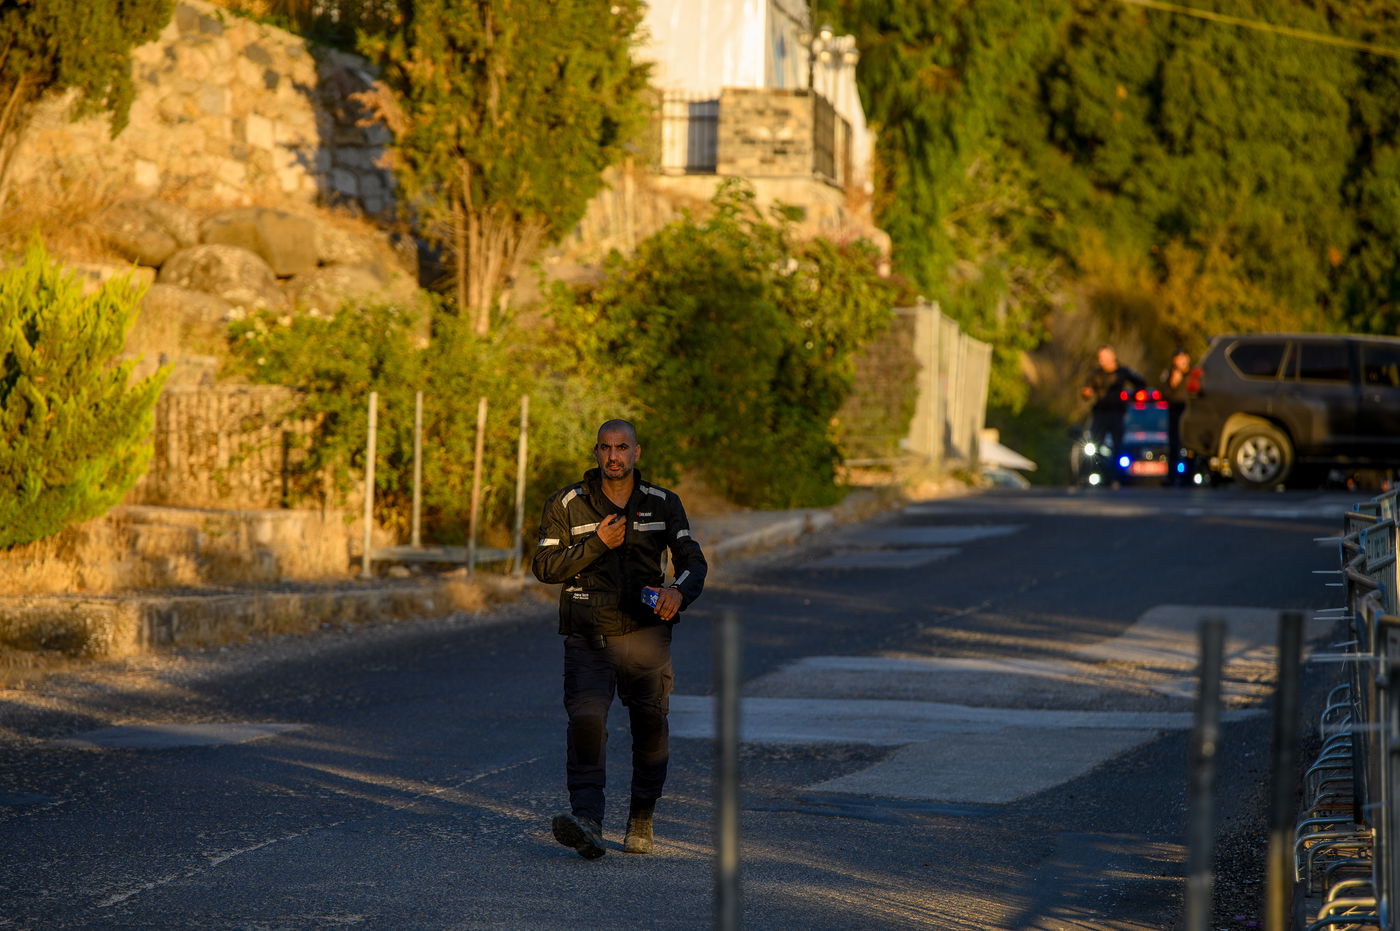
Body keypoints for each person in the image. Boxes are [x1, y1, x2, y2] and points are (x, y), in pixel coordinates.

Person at [531, 419, 707, 860]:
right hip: (588, 635)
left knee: (650, 726)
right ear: (596, 452)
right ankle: (587, 820)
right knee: (587, 722)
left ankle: (642, 815)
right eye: (606, 448)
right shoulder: (568, 503)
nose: (614, 456)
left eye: (622, 447)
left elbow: (691, 560)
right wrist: (597, 543)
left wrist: (676, 593)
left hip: (646, 636)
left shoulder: (663, 503)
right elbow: (545, 567)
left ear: (636, 453)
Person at [1079, 344, 1146, 484]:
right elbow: (1086, 391)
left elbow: (1141, 383)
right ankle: (1090, 474)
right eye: (1100, 358)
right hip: (1100, 413)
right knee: (1093, 445)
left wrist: (1131, 396)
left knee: (1118, 446)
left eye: (1104, 357)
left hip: (1117, 414)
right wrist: (1086, 394)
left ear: (1112, 357)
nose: (1101, 360)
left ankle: (1116, 477)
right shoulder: (1095, 373)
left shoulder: (1123, 372)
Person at [1159, 348, 1192, 485]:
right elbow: (1163, 393)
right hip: (1174, 411)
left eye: (1184, 357)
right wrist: (1173, 382)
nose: (1182, 361)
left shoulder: (1194, 373)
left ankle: (1189, 476)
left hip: (1190, 411)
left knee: (1190, 445)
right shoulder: (1169, 374)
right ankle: (1171, 476)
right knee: (1174, 444)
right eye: (1179, 358)